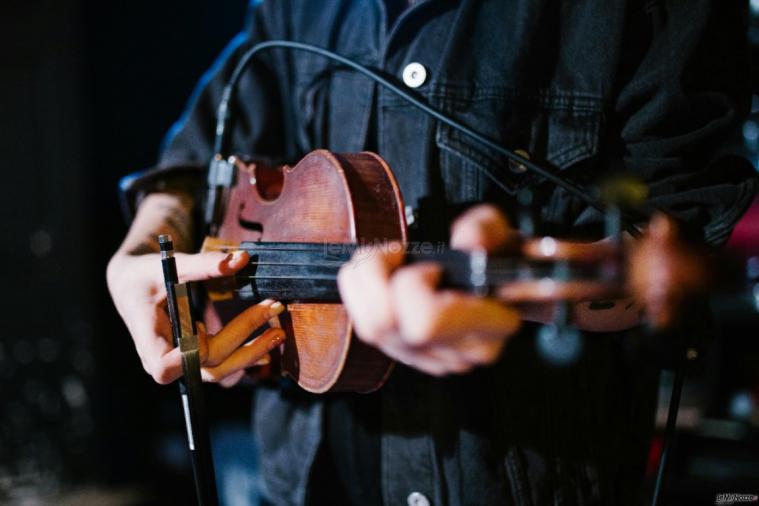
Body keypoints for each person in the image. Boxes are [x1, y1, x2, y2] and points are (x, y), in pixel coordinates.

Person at [107, 1, 758, 504]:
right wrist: (139, 251)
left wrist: (502, 286)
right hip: (302, 478)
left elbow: (672, 231)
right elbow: (194, 161)